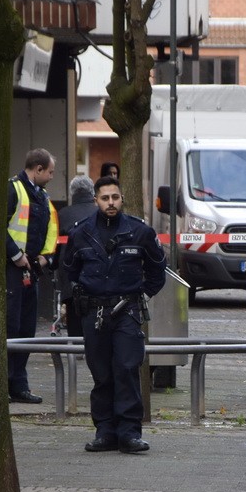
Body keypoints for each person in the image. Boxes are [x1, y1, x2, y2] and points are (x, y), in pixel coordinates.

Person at [64, 176, 167, 454]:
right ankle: (105, 432)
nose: (111, 202)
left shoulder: (139, 232)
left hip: (127, 312)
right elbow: (69, 272)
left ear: (122, 199)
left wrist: (141, 297)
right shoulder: (81, 233)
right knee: (101, 374)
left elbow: (158, 270)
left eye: (115, 197)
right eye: (105, 198)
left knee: (126, 369)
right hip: (94, 311)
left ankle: (129, 433)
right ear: (96, 200)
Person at [6, 148, 59, 404]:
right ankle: (5, 383)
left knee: (26, 329)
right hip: (11, 271)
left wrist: (45, 257)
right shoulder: (13, 190)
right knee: (11, 327)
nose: (51, 177)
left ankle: (19, 385)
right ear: (37, 169)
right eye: (49, 172)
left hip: (32, 271)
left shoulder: (42, 196)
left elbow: (50, 231)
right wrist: (16, 255)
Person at [56, 175, 98, 337]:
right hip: (96, 273)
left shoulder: (62, 215)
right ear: (91, 192)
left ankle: (74, 348)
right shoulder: (100, 213)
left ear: (72, 193)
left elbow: (55, 246)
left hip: (69, 274)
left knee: (73, 312)